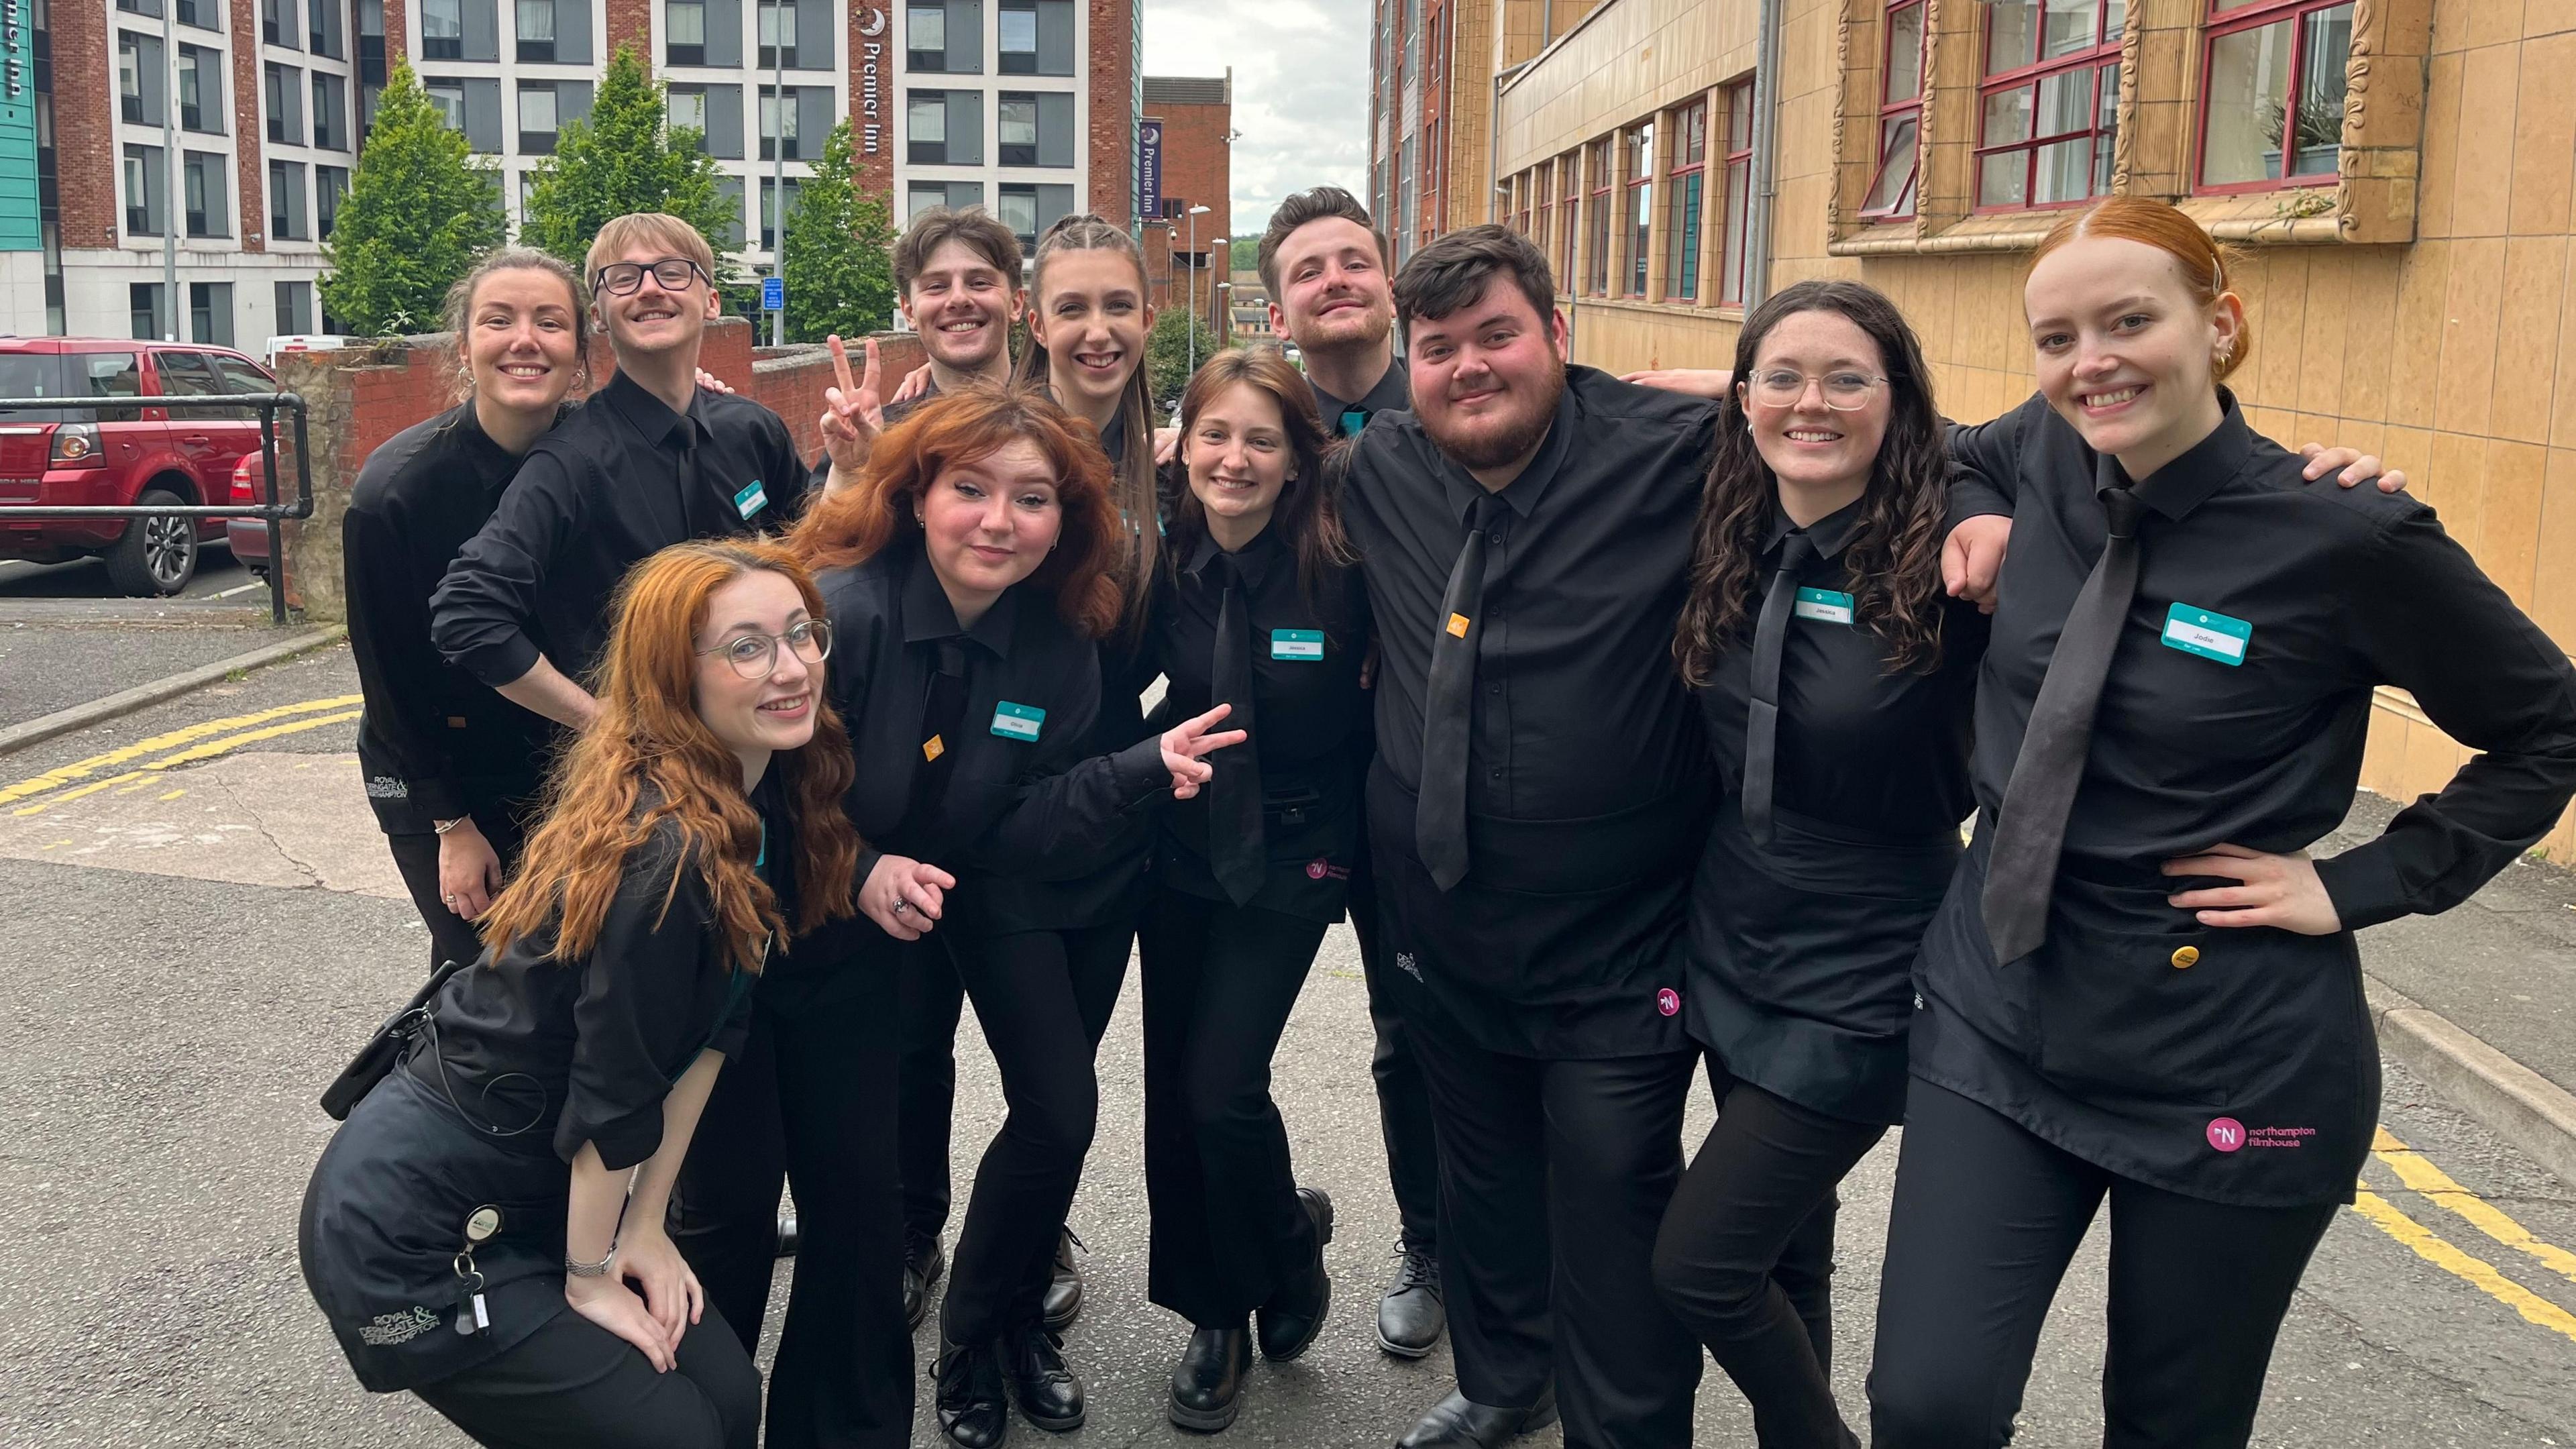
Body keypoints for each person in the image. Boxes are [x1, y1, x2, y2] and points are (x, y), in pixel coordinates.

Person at [1866, 197, 2576, 1448]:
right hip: (2002, 1008)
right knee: (1929, 1403)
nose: (2092, 362)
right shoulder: (2041, 447)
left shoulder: (2349, 532)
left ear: (2221, 323)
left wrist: (2365, 881)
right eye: (2057, 337)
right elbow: (1956, 446)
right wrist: (1977, 507)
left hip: (2229, 1048)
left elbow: (2549, 726)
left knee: (2175, 1428)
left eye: (2131, 321)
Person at [299, 539, 861, 1449]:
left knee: (725, 1397)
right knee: (673, 1432)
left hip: (544, 1193)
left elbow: (714, 1038)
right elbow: (613, 1087)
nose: (793, 667)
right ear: (676, 678)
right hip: (419, 1233)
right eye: (748, 647)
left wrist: (645, 1229)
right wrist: (593, 1272)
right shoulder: (668, 853)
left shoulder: (754, 805)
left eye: (803, 633)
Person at [1336, 223, 1717, 1449]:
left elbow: (1925, 435)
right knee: (1483, 1179)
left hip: (1620, 934)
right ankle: (1507, 1381)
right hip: (1441, 915)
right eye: (1438, 348)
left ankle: (1629, 1422)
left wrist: (1984, 509)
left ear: (1558, 334)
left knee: (1611, 1187)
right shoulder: (1377, 464)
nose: (1469, 368)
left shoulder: (1679, 452)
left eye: (1497, 335)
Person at [1643, 280, 1983, 1449]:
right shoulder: (1730, 530)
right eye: (1784, 377)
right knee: (1791, 1249)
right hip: (1730, 939)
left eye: (1848, 379)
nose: (1813, 403)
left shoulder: (1955, 557)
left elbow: (2064, 446)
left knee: (1699, 1265)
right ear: (1742, 400)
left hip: (1864, 971)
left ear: (1902, 403)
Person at [894, 212, 1170, 1448]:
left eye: (1120, 306)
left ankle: (1016, 1325)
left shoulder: (1168, 456)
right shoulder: (989, 442)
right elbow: (891, 553)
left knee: (1054, 1109)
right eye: (1073, 307)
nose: (1008, 513)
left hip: (1103, 831)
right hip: (1001, 833)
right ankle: (968, 1340)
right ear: (1034, 317)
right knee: (1057, 1106)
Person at [1136, 347, 1367, 1431]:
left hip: (1295, 851)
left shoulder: (1344, 560)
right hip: (1179, 847)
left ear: (1295, 461)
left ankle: (1286, 1248)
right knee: (1175, 1094)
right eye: (1215, 435)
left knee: (1222, 1084)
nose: (1235, 458)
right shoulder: (1158, 556)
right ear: (1184, 445)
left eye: (1261, 440)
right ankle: (1215, 1310)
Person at [1246, 186, 1448, 1358]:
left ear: (1387, 280)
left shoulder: (1451, 402)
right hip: (1287, 785)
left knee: (1413, 1027)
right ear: (1279, 307)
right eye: (1309, 270)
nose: (1334, 281)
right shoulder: (1260, 424)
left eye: (1353, 261)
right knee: (1223, 1053)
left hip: (1417, 783)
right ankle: (1257, 1244)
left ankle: (1432, 1244)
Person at [431, 213, 830, 731]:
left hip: (760, 744)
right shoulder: (570, 462)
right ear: (598, 314)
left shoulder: (752, 430)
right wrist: (607, 726)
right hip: (647, 775)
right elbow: (467, 615)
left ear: (711, 301)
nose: (648, 289)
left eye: (672, 271)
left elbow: (814, 555)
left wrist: (848, 468)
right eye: (623, 277)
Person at [343, 248, 586, 973]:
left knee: (564, 977)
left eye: (551, 322)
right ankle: (409, 1086)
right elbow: (389, 680)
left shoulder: (598, 450)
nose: (525, 340)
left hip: (561, 764)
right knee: (495, 980)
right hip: (439, 772)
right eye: (499, 320)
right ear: (464, 345)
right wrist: (449, 823)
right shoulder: (397, 493)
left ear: (579, 349)